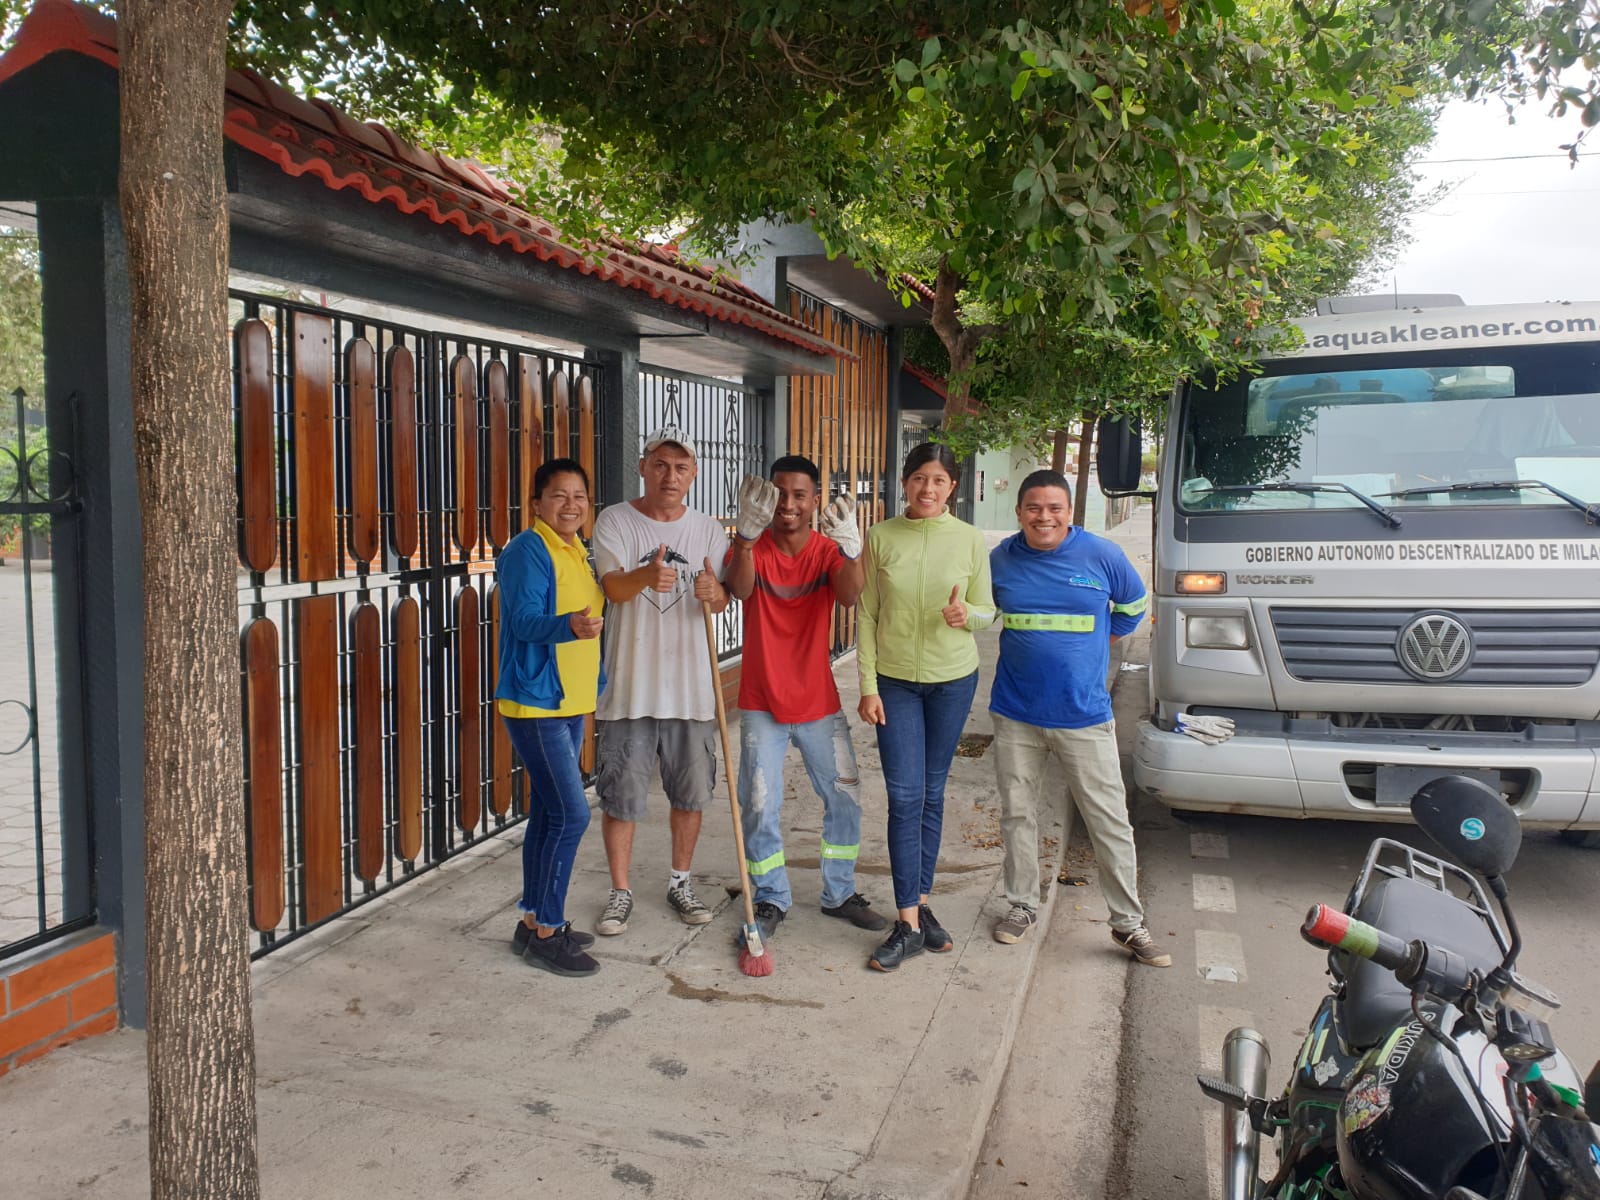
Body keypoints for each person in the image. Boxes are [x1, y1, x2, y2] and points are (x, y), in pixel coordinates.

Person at [986, 469, 1170, 967]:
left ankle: (1128, 924)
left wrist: (1099, 641)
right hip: (1016, 712)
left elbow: (1134, 605)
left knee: (1109, 820)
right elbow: (985, 611)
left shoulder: (1102, 555)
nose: (1043, 517)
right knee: (1017, 814)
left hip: (1083, 714)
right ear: (1019, 512)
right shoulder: (1000, 559)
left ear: (1070, 512)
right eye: (1033, 508)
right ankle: (1022, 904)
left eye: (1054, 508)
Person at [724, 455, 887, 945]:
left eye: (799, 495)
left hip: (819, 702)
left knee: (846, 798)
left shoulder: (826, 551)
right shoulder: (752, 546)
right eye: (780, 494)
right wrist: (744, 539)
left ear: (815, 500)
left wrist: (853, 551)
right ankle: (771, 896)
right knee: (758, 803)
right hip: (761, 702)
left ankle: (839, 893)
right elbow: (740, 590)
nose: (788, 504)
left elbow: (850, 596)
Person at [856, 443, 996, 972]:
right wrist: (867, 685)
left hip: (953, 681)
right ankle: (908, 923)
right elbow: (867, 614)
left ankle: (920, 901)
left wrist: (967, 617)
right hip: (894, 684)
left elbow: (988, 609)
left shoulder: (970, 539)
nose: (928, 489)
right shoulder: (881, 536)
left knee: (933, 793)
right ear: (905, 482)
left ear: (952, 486)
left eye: (938, 480)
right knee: (904, 795)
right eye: (919, 478)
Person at [591, 427, 731, 935]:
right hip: (630, 689)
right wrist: (646, 576)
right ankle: (620, 891)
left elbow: (722, 599)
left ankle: (680, 882)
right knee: (621, 797)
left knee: (690, 795)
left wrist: (714, 593)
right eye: (661, 464)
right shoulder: (615, 520)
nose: (670, 475)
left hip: (691, 690)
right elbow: (612, 588)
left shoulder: (709, 530)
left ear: (693, 475)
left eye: (681, 467)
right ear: (643, 467)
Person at [496, 458, 607, 977]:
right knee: (572, 815)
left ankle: (532, 921)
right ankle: (550, 931)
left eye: (579, 495)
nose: (571, 504)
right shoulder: (528, 550)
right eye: (559, 495)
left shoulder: (577, 549)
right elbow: (522, 621)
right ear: (537, 503)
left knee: (547, 812)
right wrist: (569, 626)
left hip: (569, 700)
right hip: (536, 702)